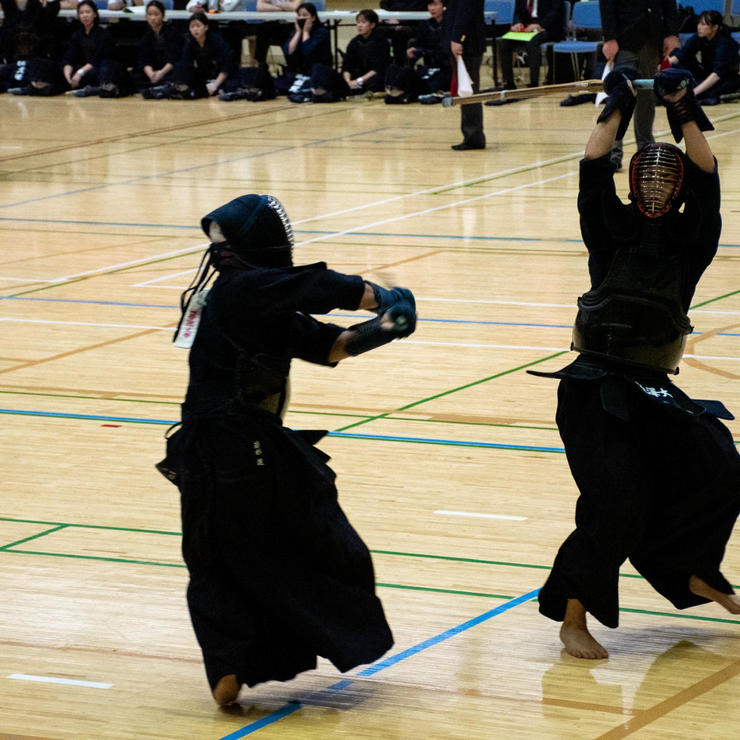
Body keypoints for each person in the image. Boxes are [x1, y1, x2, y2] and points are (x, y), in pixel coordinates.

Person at [156, 193, 416, 705]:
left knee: (228, 556)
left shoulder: (255, 300)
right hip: (230, 444)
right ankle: (234, 668)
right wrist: (380, 296)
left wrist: (384, 330)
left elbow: (329, 346)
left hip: (231, 446)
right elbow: (318, 287)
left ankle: (229, 669)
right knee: (304, 542)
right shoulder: (242, 289)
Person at [531, 66, 740, 659]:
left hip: (650, 388)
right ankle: (574, 617)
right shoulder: (610, 231)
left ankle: (690, 568)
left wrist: (681, 108)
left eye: (664, 178)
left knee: (722, 468)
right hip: (594, 386)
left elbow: (709, 174)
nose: (654, 186)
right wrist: (615, 105)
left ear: (675, 191)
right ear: (631, 182)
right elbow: (591, 169)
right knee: (616, 501)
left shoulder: (690, 243)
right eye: (643, 176)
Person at [599, 0, 679, 170]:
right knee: (620, 96)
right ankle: (613, 153)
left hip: (652, 38)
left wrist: (672, 33)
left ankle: (645, 150)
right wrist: (609, 37)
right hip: (623, 38)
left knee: (647, 97)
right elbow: (607, 5)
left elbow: (669, 3)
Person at [146, 12, 238, 99]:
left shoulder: (217, 42)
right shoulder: (190, 42)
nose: (195, 29)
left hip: (223, 77)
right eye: (192, 26)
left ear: (206, 27)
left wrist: (215, 84)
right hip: (205, 76)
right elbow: (185, 63)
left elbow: (226, 67)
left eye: (198, 26)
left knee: (229, 86)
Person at [668, 10, 740, 106]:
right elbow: (681, 55)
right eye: (699, 24)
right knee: (676, 56)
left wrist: (692, 93)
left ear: (715, 27)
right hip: (706, 74)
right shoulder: (699, 37)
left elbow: (716, 75)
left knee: (702, 93)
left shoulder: (724, 44)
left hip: (724, 79)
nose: (699, 27)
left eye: (703, 24)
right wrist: (660, 69)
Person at [384, 0, 450, 104]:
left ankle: (406, 95)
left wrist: (422, 52)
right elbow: (419, 45)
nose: (431, 8)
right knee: (393, 69)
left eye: (435, 5)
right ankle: (391, 93)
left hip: (444, 70)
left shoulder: (450, 25)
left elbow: (444, 52)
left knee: (432, 85)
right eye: (430, 4)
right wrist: (412, 52)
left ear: (444, 7)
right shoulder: (425, 24)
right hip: (427, 69)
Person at [444, 0, 486, 150]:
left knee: (468, 90)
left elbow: (465, 11)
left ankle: (473, 136)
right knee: (466, 89)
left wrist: (458, 38)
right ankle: (471, 135)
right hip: (464, 40)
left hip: (467, 43)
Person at [499, 0, 566, 89]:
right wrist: (518, 23)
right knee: (505, 41)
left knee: (532, 42)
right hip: (527, 28)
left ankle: (534, 83)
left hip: (548, 28)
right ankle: (509, 83)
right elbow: (517, 13)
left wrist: (540, 25)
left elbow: (556, 12)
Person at [133, 0, 183, 91]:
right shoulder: (145, 34)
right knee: (134, 76)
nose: (152, 18)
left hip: (167, 70)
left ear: (163, 16)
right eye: (150, 14)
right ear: (146, 16)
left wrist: (161, 73)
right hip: (154, 69)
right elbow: (143, 58)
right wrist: (151, 74)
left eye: (156, 15)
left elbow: (174, 58)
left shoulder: (173, 33)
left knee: (180, 73)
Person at [342, 9, 392, 95]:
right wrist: (348, 81)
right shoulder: (354, 42)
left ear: (372, 25)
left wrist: (359, 80)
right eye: (358, 22)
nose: (359, 25)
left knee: (374, 83)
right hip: (358, 76)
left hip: (373, 76)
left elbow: (379, 68)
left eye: (363, 22)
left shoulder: (381, 41)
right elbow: (347, 66)